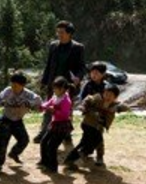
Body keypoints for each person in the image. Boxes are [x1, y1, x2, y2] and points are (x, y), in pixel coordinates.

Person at [36, 21, 87, 150]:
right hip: (53, 84)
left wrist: (78, 78)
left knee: (66, 111)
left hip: (68, 85)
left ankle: (66, 134)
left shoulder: (78, 47)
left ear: (69, 33)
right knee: (49, 108)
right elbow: (48, 65)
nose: (59, 34)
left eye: (62, 32)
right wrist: (44, 81)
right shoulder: (53, 46)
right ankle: (43, 132)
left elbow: (82, 67)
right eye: (57, 32)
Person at [0, 72, 42, 174]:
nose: (13, 87)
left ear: (22, 86)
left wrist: (31, 104)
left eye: (15, 85)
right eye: (12, 84)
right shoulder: (8, 91)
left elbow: (39, 101)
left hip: (18, 121)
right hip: (5, 120)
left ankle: (14, 153)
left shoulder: (28, 94)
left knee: (24, 140)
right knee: (2, 144)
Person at [63, 82, 121, 169]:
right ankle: (83, 153)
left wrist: (117, 108)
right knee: (96, 140)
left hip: (99, 127)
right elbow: (88, 99)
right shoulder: (97, 98)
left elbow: (125, 107)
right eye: (106, 94)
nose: (107, 97)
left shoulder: (114, 105)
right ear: (103, 93)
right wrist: (83, 106)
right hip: (88, 124)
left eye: (110, 95)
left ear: (115, 97)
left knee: (85, 142)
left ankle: (70, 159)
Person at [38, 77, 74, 173]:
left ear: (62, 89)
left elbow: (64, 115)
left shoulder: (66, 100)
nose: (54, 90)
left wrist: (54, 110)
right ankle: (44, 162)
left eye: (55, 88)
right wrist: (42, 107)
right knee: (44, 141)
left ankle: (53, 167)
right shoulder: (56, 96)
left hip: (62, 126)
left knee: (52, 146)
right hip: (54, 124)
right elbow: (48, 103)